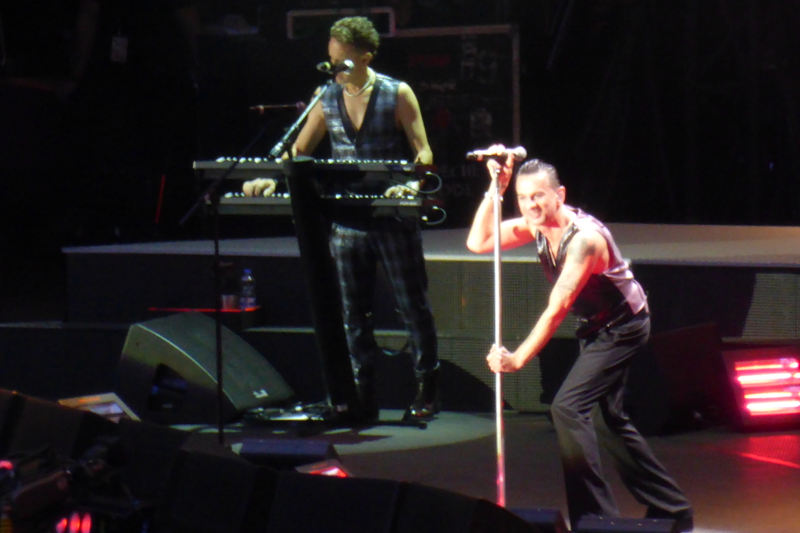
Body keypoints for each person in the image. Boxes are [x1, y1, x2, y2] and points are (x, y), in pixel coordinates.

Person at [466, 147, 694, 532]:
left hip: (624, 325)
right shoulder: (536, 225)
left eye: (539, 196)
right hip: (595, 326)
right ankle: (673, 509)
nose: (531, 205)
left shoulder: (584, 240)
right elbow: (479, 241)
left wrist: (517, 359)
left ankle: (595, 519)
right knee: (608, 420)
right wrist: (496, 191)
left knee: (567, 408)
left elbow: (557, 308)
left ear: (560, 195)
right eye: (523, 198)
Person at [243, 16, 439, 422]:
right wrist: (270, 176)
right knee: (353, 313)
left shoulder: (396, 93)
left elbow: (423, 152)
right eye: (331, 61)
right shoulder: (327, 96)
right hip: (346, 217)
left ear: (366, 57)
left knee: (411, 305)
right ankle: (361, 396)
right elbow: (298, 150)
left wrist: (410, 184)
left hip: (389, 215)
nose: (335, 69)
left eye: (343, 62)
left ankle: (427, 392)